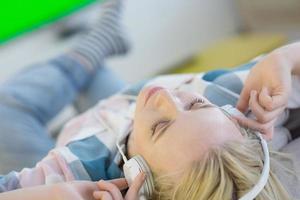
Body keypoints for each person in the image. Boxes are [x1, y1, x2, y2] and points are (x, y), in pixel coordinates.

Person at [0, 0, 300, 199]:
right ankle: (93, 51)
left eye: (161, 127)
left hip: (86, 133)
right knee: (94, 81)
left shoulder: (80, 172)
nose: (166, 98)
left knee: (7, 108)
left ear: (137, 175)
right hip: (121, 105)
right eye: (196, 104)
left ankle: (92, 48)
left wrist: (58, 194)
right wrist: (285, 57)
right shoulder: (238, 100)